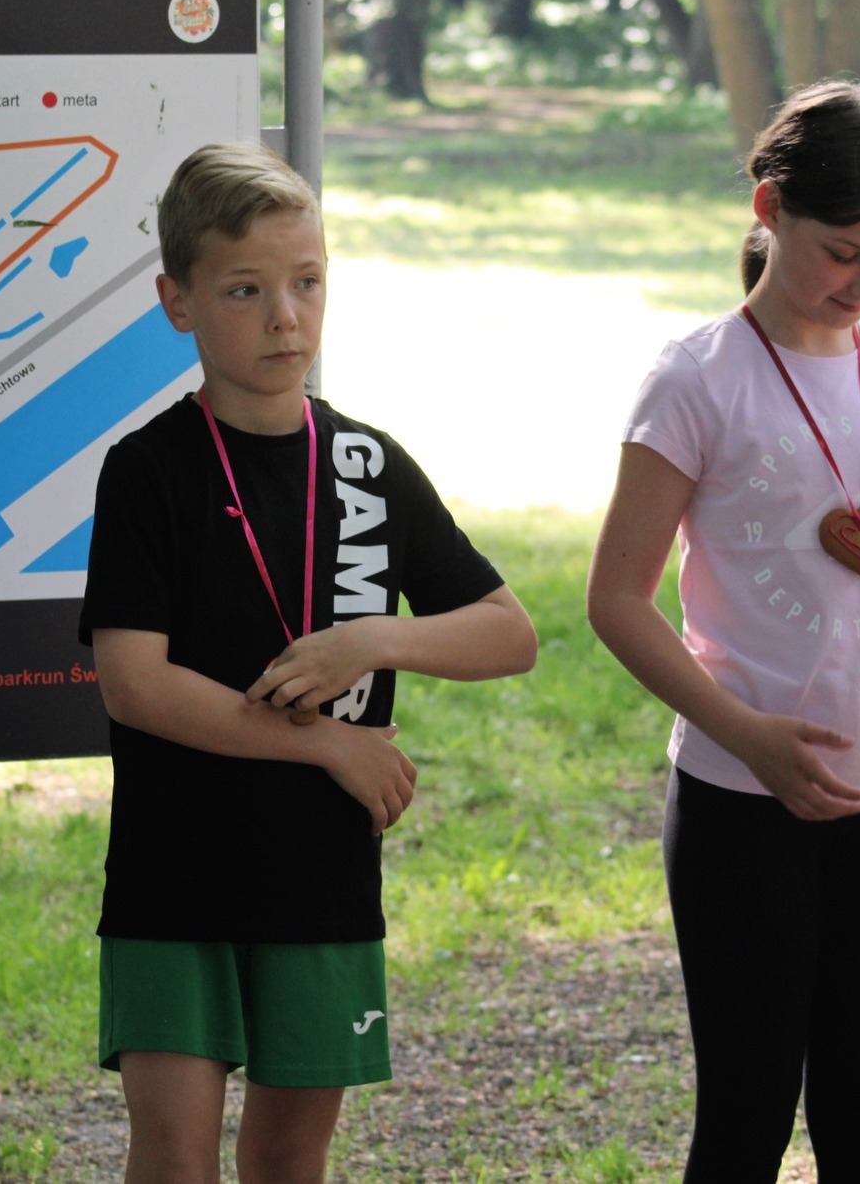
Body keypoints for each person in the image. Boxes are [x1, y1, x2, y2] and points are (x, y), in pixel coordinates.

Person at [80, 142, 538, 1184]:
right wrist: (328, 744)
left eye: (307, 282)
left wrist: (374, 638)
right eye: (245, 290)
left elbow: (507, 633)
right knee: (175, 1158)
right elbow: (134, 684)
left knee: (290, 1158)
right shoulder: (146, 470)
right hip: (173, 877)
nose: (285, 317)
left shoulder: (367, 465)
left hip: (319, 881)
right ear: (178, 301)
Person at [586, 82, 860, 1183]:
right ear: (770, 210)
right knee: (745, 1119)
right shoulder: (694, 381)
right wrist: (747, 735)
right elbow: (615, 601)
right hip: (739, 807)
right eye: (844, 254)